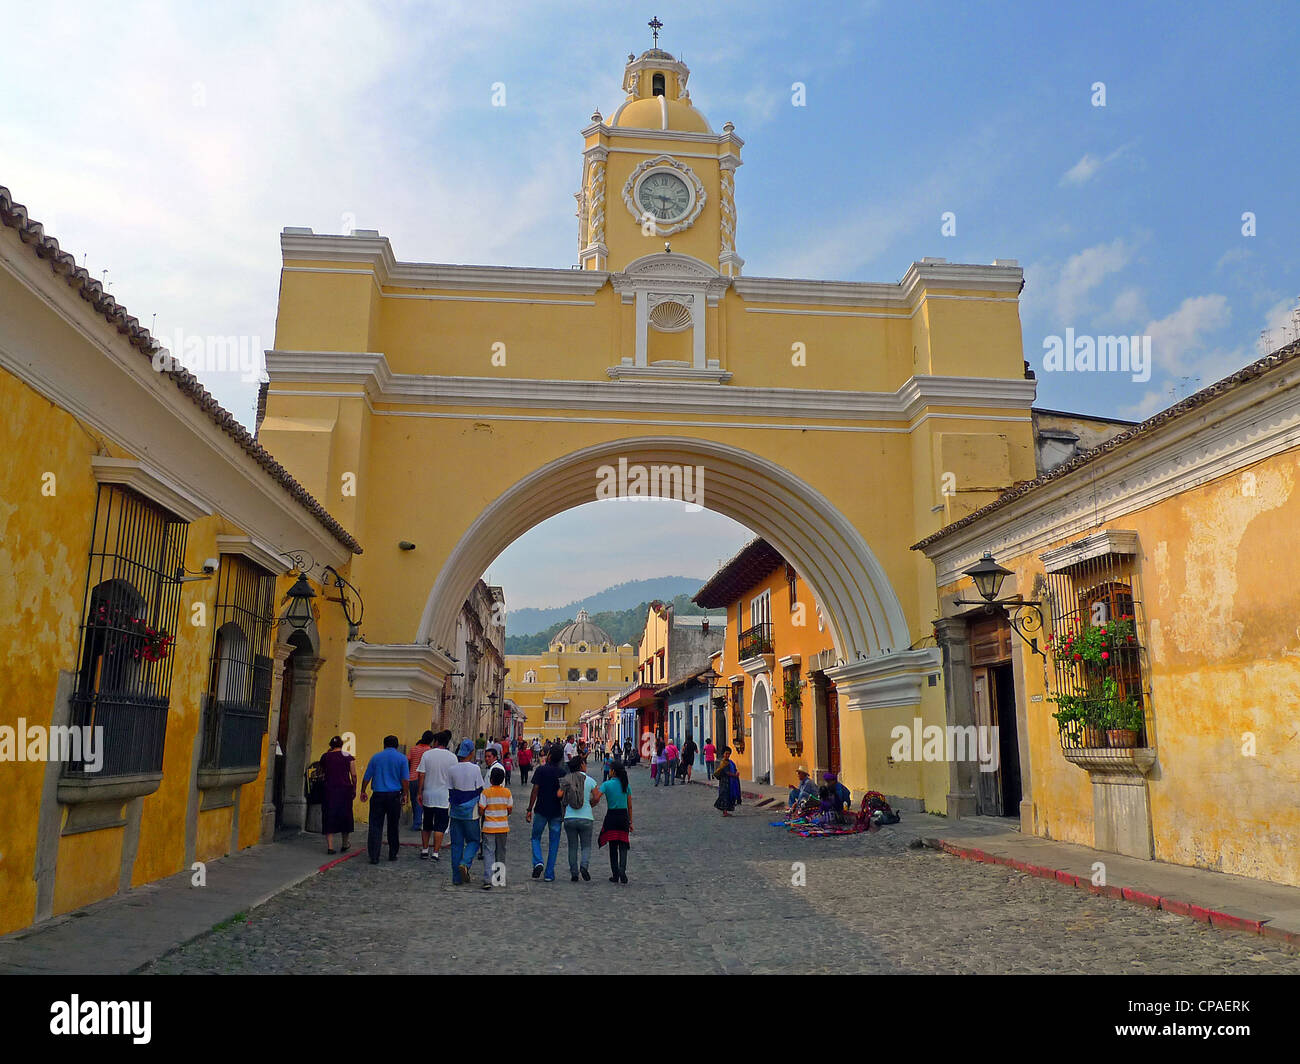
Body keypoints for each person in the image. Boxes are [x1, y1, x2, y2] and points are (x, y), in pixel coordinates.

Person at [360, 735, 408, 863]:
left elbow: (367, 776)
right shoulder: (402, 759)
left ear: (384, 745)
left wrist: (363, 791)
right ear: (397, 746)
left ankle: (374, 855)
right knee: (393, 825)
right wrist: (405, 794)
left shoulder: (376, 757)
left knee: (375, 825)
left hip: (378, 795)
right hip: (394, 795)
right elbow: (405, 780)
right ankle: (393, 853)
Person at [448, 739, 486, 885]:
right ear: (471, 753)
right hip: (471, 812)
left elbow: (450, 790)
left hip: (455, 811)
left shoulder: (452, 769)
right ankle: (465, 863)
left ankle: (456, 878)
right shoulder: (475, 769)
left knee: (456, 844)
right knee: (474, 840)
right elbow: (480, 789)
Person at [526, 745, 566, 881]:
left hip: (541, 809)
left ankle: (538, 861)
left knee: (535, 837)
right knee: (554, 843)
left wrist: (529, 809)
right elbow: (564, 794)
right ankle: (549, 874)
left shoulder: (541, 770)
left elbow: (535, 791)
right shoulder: (562, 773)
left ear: (549, 756)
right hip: (556, 812)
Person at [416, 730, 456, 861]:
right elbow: (454, 777)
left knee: (426, 823)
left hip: (428, 794)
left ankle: (425, 849)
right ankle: (436, 852)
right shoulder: (452, 757)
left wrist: (419, 792)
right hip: (444, 796)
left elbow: (421, 774)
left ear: (436, 741)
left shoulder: (427, 755)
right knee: (440, 825)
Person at [559, 755, 600, 882]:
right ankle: (584, 865)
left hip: (570, 817)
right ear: (581, 765)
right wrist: (591, 804)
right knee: (586, 846)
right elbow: (597, 796)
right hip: (586, 817)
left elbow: (559, 794)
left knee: (572, 846)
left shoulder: (567, 779)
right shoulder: (590, 780)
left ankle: (574, 873)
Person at [597, 759, 633, 884]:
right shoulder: (626, 785)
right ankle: (622, 870)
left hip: (612, 816)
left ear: (613, 771)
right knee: (623, 845)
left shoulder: (606, 784)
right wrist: (630, 822)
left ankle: (615, 874)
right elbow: (630, 806)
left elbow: (597, 797)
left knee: (613, 847)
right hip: (623, 817)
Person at [479, 764, 513, 890]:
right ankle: (499, 878)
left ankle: (488, 879)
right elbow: (509, 810)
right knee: (501, 852)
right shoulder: (507, 792)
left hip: (489, 827)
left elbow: (481, 810)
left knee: (488, 852)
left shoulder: (485, 792)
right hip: (503, 827)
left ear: (491, 780)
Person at [320, 735, 356, 855]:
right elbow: (354, 774)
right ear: (342, 745)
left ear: (330, 745)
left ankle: (330, 846)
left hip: (329, 790)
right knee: (345, 816)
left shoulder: (325, 756)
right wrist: (354, 787)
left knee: (329, 815)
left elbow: (321, 770)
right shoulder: (348, 757)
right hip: (345, 790)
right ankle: (345, 843)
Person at [407, 730, 433, 831]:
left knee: (414, 800)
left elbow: (407, 760)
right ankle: (420, 822)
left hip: (412, 778)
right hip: (424, 779)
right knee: (422, 801)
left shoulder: (413, 749)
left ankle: (416, 821)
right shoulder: (429, 751)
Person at [713, 746, 740, 817]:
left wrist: (736, 772)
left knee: (728, 796)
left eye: (729, 754)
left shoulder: (730, 762)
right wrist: (734, 775)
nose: (727, 755)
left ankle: (726, 811)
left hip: (730, 782)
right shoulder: (723, 763)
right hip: (724, 782)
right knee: (724, 796)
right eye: (726, 754)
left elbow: (734, 768)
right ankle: (724, 812)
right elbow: (727, 772)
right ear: (723, 754)